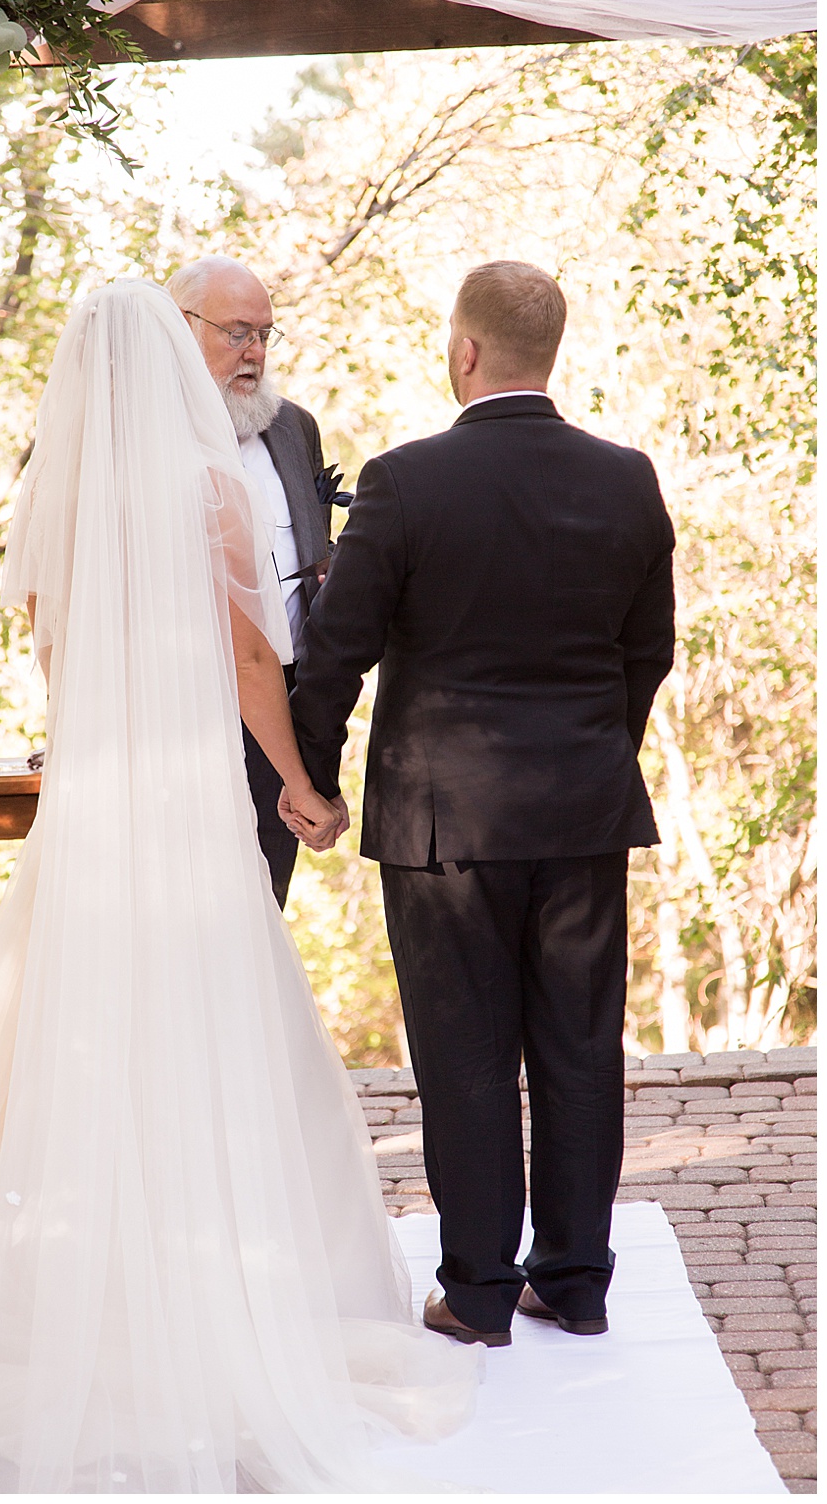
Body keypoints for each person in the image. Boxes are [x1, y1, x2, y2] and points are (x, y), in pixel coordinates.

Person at [0, 281, 478, 1493]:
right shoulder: (207, 493)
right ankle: (201, 1294)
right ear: (168, 364)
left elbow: (54, 654)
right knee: (201, 1032)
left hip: (90, 817)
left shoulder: (62, 505)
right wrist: (298, 780)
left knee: (71, 1040)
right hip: (189, 809)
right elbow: (252, 656)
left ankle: (75, 1281)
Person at [288, 261, 676, 1349]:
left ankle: (477, 1291)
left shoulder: (404, 482)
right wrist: (594, 754)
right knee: (578, 1045)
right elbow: (648, 653)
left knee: (462, 1053)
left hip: (441, 821)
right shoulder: (626, 479)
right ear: (548, 352)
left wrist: (307, 779)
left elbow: (335, 657)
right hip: (584, 811)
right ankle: (577, 1281)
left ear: (462, 351)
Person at [168, 257, 336, 909]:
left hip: (280, 722)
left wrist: (311, 767)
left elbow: (312, 582)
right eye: (237, 333)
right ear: (183, 329)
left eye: (266, 334)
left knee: (263, 922)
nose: (256, 352)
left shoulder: (294, 429)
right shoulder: (137, 443)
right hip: (180, 725)